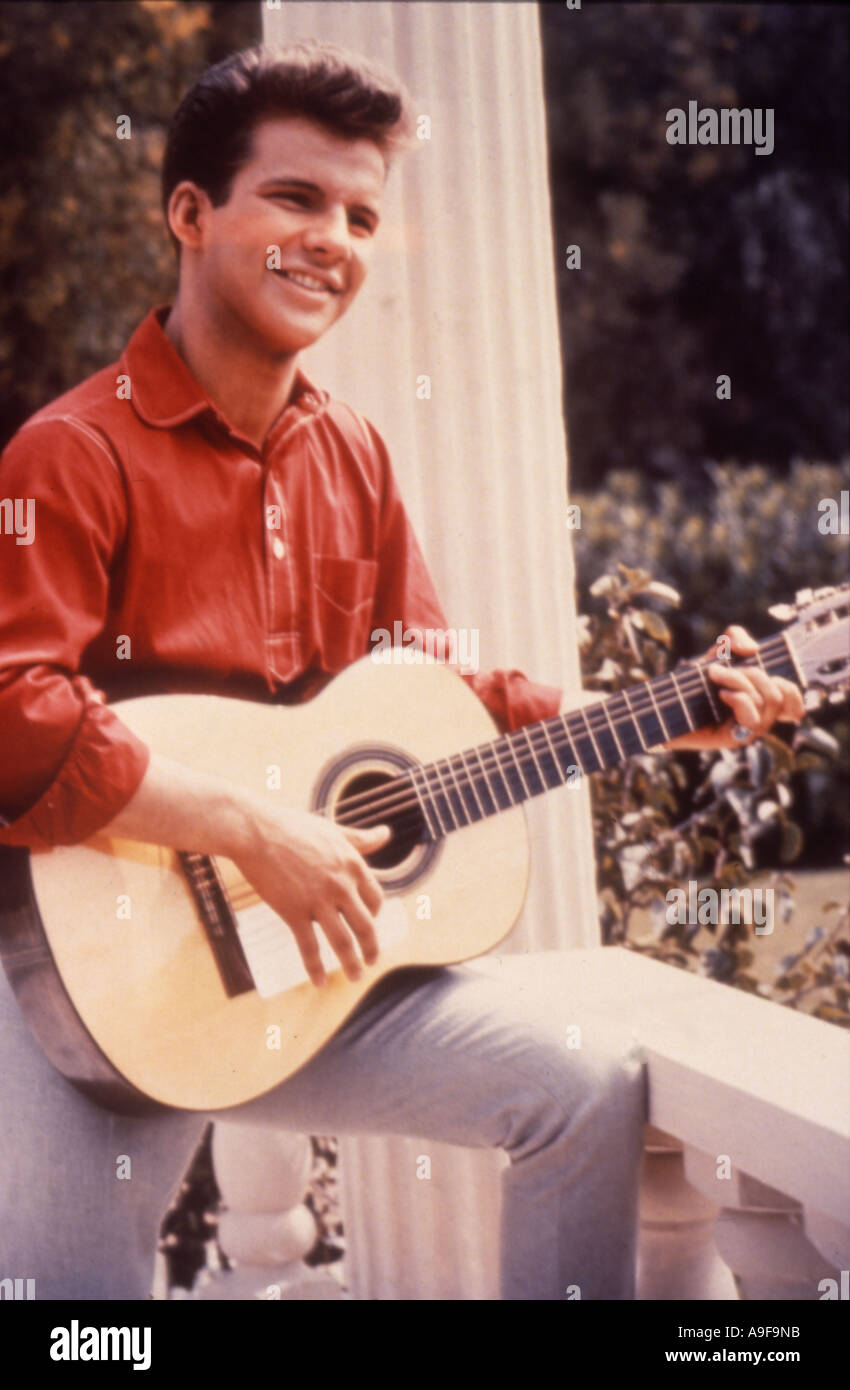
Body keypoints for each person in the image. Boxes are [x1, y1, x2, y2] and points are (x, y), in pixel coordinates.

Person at [0, 41, 804, 1300]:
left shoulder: (353, 457)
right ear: (190, 213)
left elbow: (431, 687)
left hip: (302, 969)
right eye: (296, 198)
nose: (333, 238)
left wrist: (654, 713)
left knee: (581, 1084)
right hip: (94, 987)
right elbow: (13, 713)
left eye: (361, 215)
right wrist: (254, 827)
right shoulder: (70, 452)